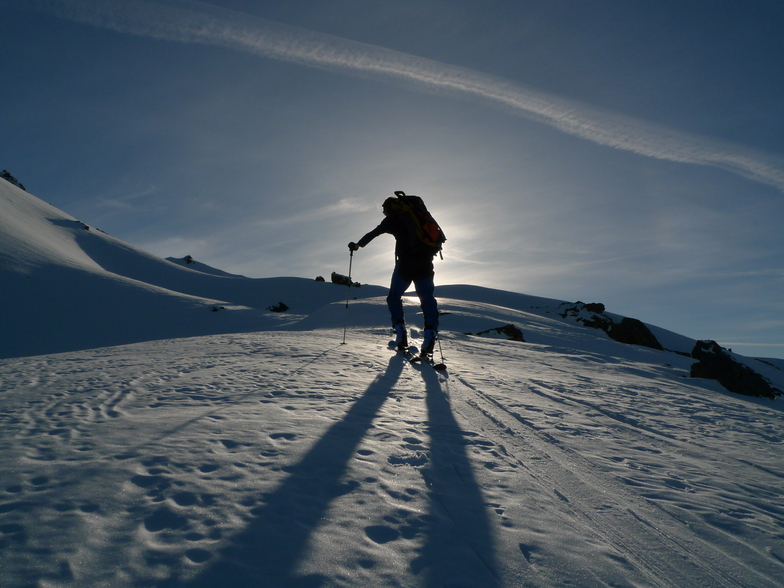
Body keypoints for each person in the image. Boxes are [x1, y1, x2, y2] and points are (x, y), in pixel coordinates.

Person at [349, 194, 439, 356]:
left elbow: (374, 232)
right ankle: (430, 335)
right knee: (427, 298)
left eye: (384, 211)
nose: (384, 214)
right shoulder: (417, 217)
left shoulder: (393, 219)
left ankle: (401, 334)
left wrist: (357, 245)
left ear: (389, 208)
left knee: (394, 296)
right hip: (426, 263)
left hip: (406, 264)